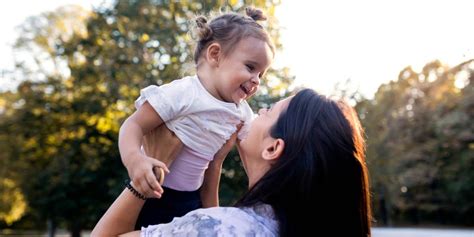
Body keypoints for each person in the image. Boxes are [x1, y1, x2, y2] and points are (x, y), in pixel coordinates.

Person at [92, 88, 372, 237]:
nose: (258, 110)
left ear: (273, 147)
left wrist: (151, 170)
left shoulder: (221, 227)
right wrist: (214, 164)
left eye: (269, 110)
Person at [118, 7, 275, 229]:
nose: (257, 80)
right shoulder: (185, 92)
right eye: (250, 67)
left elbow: (255, 156)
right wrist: (135, 159)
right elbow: (133, 125)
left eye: (261, 74)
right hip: (152, 191)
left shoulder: (241, 111)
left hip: (191, 199)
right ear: (215, 55)